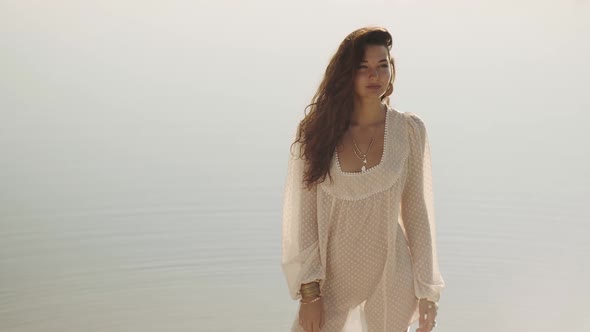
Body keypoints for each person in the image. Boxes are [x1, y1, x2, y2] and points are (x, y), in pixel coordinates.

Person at [280, 26, 445, 332]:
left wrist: (427, 292)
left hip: (392, 281)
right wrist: (309, 293)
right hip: (331, 285)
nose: (375, 76)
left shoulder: (408, 131)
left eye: (383, 65)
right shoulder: (316, 133)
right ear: (347, 74)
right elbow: (305, 219)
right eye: (364, 68)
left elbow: (416, 214)